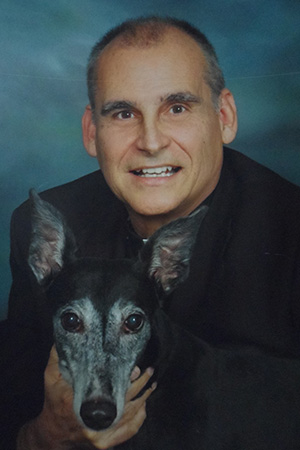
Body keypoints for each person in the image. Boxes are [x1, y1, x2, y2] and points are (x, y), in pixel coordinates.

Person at [2, 15, 300, 449]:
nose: (151, 140)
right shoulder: (42, 222)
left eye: (176, 108)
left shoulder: (291, 228)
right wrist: (42, 437)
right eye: (123, 113)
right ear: (91, 132)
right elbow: (12, 396)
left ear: (225, 117)